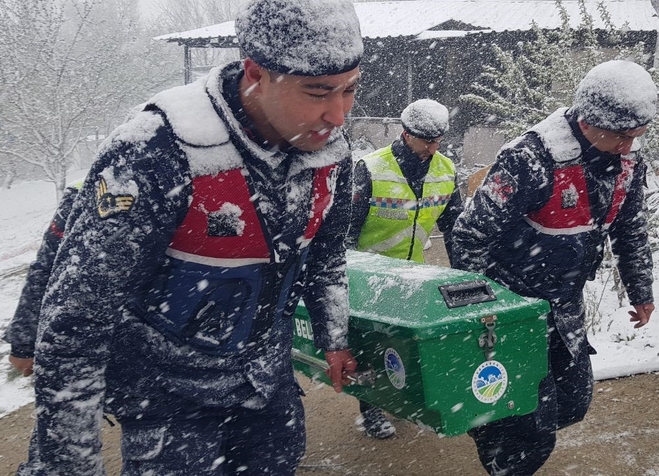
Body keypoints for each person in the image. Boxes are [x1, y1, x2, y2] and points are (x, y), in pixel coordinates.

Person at [19, 1, 362, 474]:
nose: (338, 115)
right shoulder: (155, 150)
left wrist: (334, 336)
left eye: (350, 89)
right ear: (256, 73)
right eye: (318, 92)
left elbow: (325, 257)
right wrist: (68, 464)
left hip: (266, 385)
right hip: (168, 396)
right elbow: (76, 322)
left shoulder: (330, 151)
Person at [450, 60, 657, 475]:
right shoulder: (529, 159)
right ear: (588, 120)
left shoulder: (627, 162)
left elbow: (630, 228)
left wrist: (641, 290)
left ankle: (500, 428)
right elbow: (469, 235)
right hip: (512, 306)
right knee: (528, 425)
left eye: (636, 136)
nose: (628, 146)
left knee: (572, 403)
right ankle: (501, 446)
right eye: (621, 136)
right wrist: (478, 313)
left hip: (564, 304)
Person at [346, 99, 463, 438]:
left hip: (414, 275)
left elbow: (456, 229)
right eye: (427, 141)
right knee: (369, 345)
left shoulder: (446, 170)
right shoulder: (371, 169)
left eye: (438, 140)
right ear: (406, 134)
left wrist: (463, 274)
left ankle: (399, 400)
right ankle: (371, 408)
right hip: (371, 276)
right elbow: (348, 230)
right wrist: (348, 275)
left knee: (407, 345)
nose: (433, 148)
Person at [4, 181, 82, 378]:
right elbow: (47, 267)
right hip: (90, 335)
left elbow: (45, 268)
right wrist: (24, 343)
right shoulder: (84, 193)